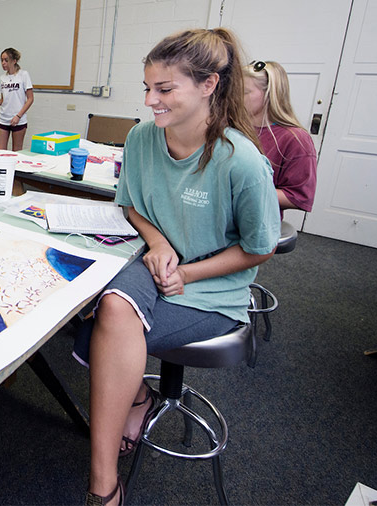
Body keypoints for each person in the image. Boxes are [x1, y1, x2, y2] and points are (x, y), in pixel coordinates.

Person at [80, 29, 280, 506]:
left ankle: (102, 485)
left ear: (209, 85)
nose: (151, 100)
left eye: (165, 90)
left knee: (103, 332)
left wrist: (188, 273)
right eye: (148, 87)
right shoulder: (142, 138)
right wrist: (159, 241)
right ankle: (135, 405)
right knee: (101, 307)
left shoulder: (242, 162)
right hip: (151, 262)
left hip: (211, 288)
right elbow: (130, 204)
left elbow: (260, 248)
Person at [243, 60, 317, 215]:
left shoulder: (295, 139)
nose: (235, 98)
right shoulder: (233, 129)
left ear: (270, 94)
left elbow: (298, 196)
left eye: (244, 92)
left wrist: (243, 192)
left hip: (254, 222)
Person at [0, 47, 33, 151]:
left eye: (6, 60)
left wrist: (18, 116)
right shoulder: (2, 78)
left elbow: (30, 99)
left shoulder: (23, 75)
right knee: (0, 151)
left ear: (14, 61)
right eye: (1, 60)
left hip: (18, 120)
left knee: (16, 152)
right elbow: (3, 100)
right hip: (3, 119)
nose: (3, 63)